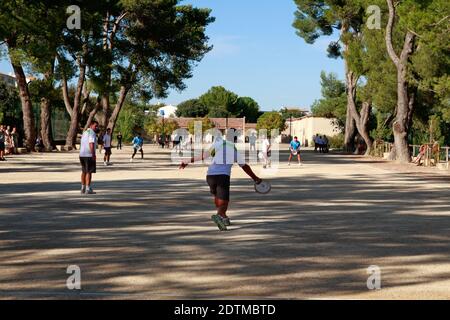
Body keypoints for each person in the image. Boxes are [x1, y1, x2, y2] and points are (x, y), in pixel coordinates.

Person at [179, 134, 262, 231]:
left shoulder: (217, 145)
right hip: (223, 176)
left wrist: (186, 161)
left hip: (210, 176)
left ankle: (224, 217)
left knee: (218, 197)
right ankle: (219, 215)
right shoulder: (233, 150)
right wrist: (255, 178)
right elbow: (244, 166)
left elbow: (202, 156)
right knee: (224, 202)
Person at [79, 121, 99, 194]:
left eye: (97, 126)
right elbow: (91, 144)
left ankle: (82, 188)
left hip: (82, 155)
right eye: (95, 126)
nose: (97, 127)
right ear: (91, 125)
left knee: (84, 171)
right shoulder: (92, 133)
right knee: (89, 172)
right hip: (88, 155)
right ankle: (88, 189)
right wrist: (93, 154)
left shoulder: (85, 132)